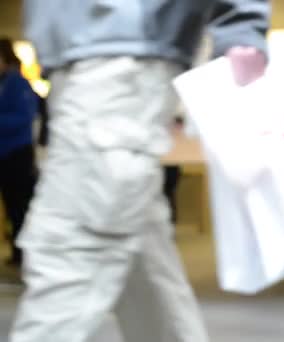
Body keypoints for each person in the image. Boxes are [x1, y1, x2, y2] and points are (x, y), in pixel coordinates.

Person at [10, 1, 269, 341]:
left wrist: (241, 26)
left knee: (73, 246)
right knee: (140, 257)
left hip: (119, 55)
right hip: (87, 54)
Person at [0, 37, 38, 268]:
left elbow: (24, 117)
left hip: (17, 154)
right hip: (3, 154)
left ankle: (22, 252)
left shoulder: (18, 83)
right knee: (10, 205)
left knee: (19, 206)